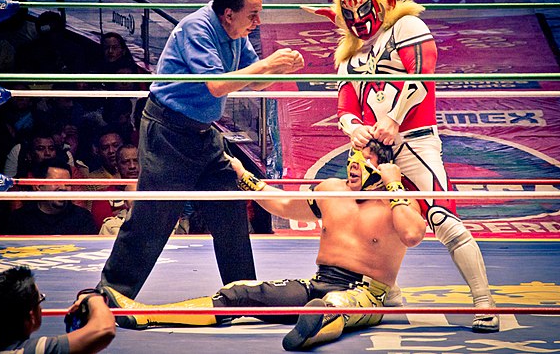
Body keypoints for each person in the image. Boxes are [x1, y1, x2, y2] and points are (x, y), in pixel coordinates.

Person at [306, 0, 498, 332]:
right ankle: (386, 289)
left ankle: (484, 301)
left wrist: (393, 119)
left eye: (364, 12)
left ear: (378, 4)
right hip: (372, 149)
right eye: (351, 18)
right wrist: (353, 129)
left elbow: (423, 77)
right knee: (375, 219)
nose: (360, 23)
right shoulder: (347, 56)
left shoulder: (407, 27)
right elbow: (345, 104)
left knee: (441, 217)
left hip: (414, 139)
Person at [101, 140, 426, 351]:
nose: (353, 165)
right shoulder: (332, 190)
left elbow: (413, 235)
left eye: (363, 160)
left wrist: (395, 182)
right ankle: (146, 314)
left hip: (366, 293)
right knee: (239, 292)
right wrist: (244, 176)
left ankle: (312, 328)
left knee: (337, 304)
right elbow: (284, 205)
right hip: (318, 283)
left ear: (383, 170)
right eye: (352, 158)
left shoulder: (396, 204)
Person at [98, 0, 305, 299]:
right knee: (153, 217)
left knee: (229, 207)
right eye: (253, 13)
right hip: (167, 130)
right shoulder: (198, 28)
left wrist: (280, 68)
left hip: (203, 132)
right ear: (228, 13)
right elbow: (217, 85)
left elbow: (254, 82)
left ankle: (243, 293)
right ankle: (107, 294)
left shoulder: (237, 31)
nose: (258, 20)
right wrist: (267, 64)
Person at [0, 266, 115, 354]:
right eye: (40, 300)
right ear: (31, 316)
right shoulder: (35, 350)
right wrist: (93, 297)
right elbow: (104, 330)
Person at [1, 158, 97, 235]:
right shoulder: (20, 219)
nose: (63, 188)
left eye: (67, 183)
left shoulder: (82, 217)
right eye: (56, 183)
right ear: (38, 186)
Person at [91, 144, 139, 232]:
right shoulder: (104, 196)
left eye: (136, 161)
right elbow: (105, 227)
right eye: (125, 162)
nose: (132, 166)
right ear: (117, 166)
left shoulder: (156, 192)